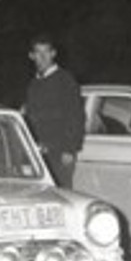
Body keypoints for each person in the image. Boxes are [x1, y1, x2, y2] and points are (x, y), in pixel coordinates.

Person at [22, 33, 84, 189]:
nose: (42, 57)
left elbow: (76, 115)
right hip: (39, 153)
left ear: (53, 54)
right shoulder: (33, 84)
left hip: (60, 153)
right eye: (38, 52)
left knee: (61, 193)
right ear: (31, 56)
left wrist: (69, 149)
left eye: (46, 52)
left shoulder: (65, 80)